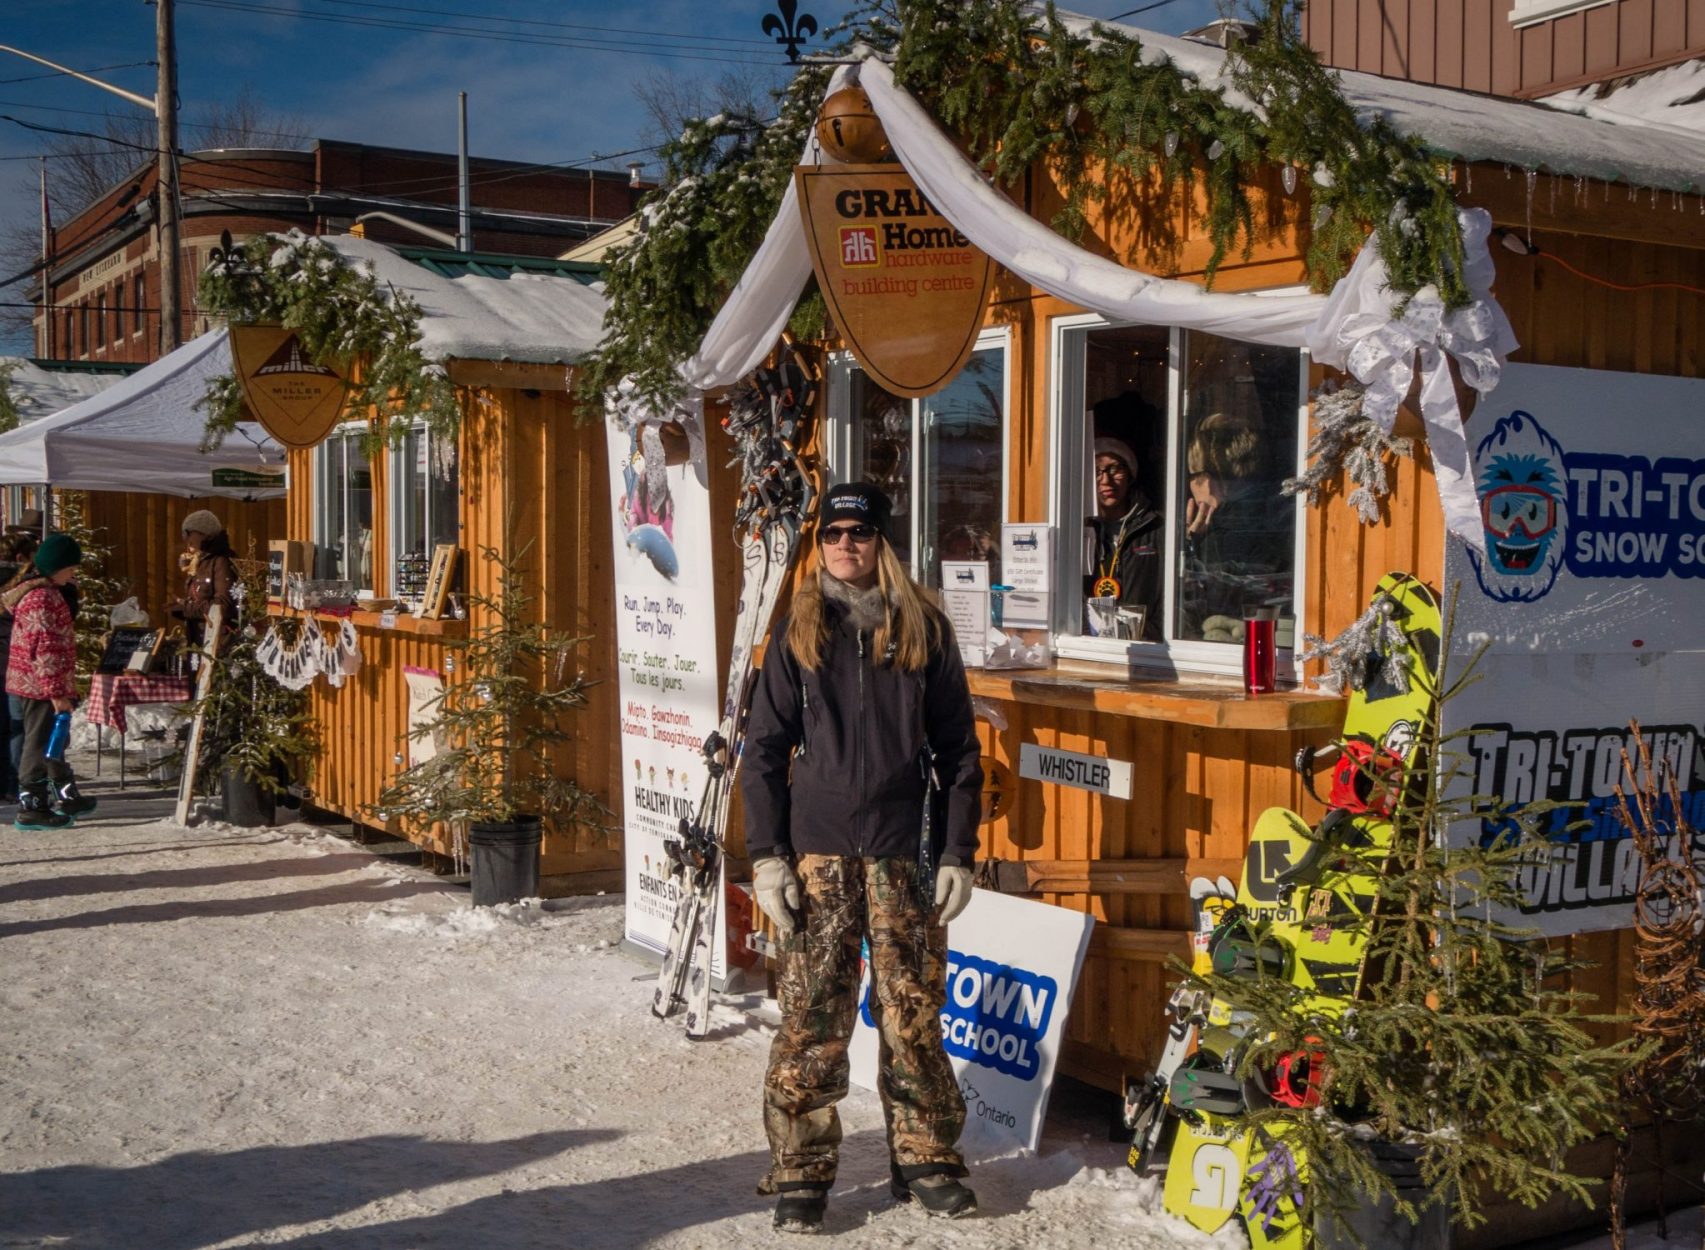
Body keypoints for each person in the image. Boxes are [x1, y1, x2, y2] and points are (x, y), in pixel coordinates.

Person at [742, 482, 983, 1234]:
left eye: (860, 531)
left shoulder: (923, 630)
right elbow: (762, 754)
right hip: (816, 855)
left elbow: (959, 753)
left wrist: (955, 852)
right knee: (814, 1016)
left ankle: (925, 1157)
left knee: (911, 1011)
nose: (846, 544)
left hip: (901, 852)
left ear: (882, 542)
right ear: (819, 545)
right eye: (834, 532)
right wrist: (767, 858)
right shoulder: (795, 633)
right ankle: (801, 1169)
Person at [7, 533, 96, 828]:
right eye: (71, 568)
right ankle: (32, 805)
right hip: (39, 687)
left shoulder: (48, 593)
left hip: (42, 684)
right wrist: (56, 692)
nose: (73, 574)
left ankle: (66, 794)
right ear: (56, 566)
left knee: (55, 740)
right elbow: (43, 649)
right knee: (39, 743)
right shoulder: (40, 598)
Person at [1086, 436, 1162, 640]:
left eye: (1114, 469)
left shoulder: (1155, 527)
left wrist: (1149, 633)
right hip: (1087, 646)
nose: (1105, 480)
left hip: (1145, 646)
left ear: (1130, 475)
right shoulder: (1078, 529)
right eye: (1096, 471)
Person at [171, 510, 236, 644]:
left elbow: (222, 605)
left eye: (188, 533)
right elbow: (201, 599)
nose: (185, 539)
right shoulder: (201, 562)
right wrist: (181, 606)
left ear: (203, 532)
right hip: (199, 638)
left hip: (216, 642)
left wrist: (185, 608)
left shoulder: (221, 561)